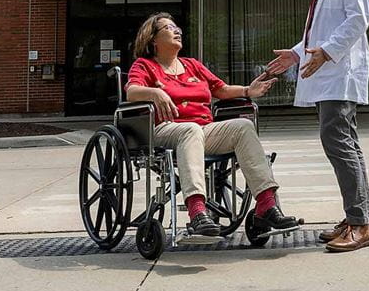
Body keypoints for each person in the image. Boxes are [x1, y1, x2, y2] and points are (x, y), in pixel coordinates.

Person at [124, 12, 302, 242]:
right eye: (169, 28)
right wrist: (155, 92)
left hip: (202, 130)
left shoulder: (192, 65)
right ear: (153, 40)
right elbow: (131, 91)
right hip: (165, 129)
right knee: (190, 130)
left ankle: (266, 207)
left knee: (243, 127)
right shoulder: (146, 66)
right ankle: (197, 212)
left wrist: (249, 91)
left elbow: (221, 89)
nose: (177, 30)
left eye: (177, 27)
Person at [266, 0, 369, 253]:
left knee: (339, 143)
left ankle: (359, 224)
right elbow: (323, 26)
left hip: (341, 71)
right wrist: (298, 53)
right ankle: (358, 218)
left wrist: (326, 53)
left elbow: (359, 18)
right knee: (344, 144)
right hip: (330, 70)